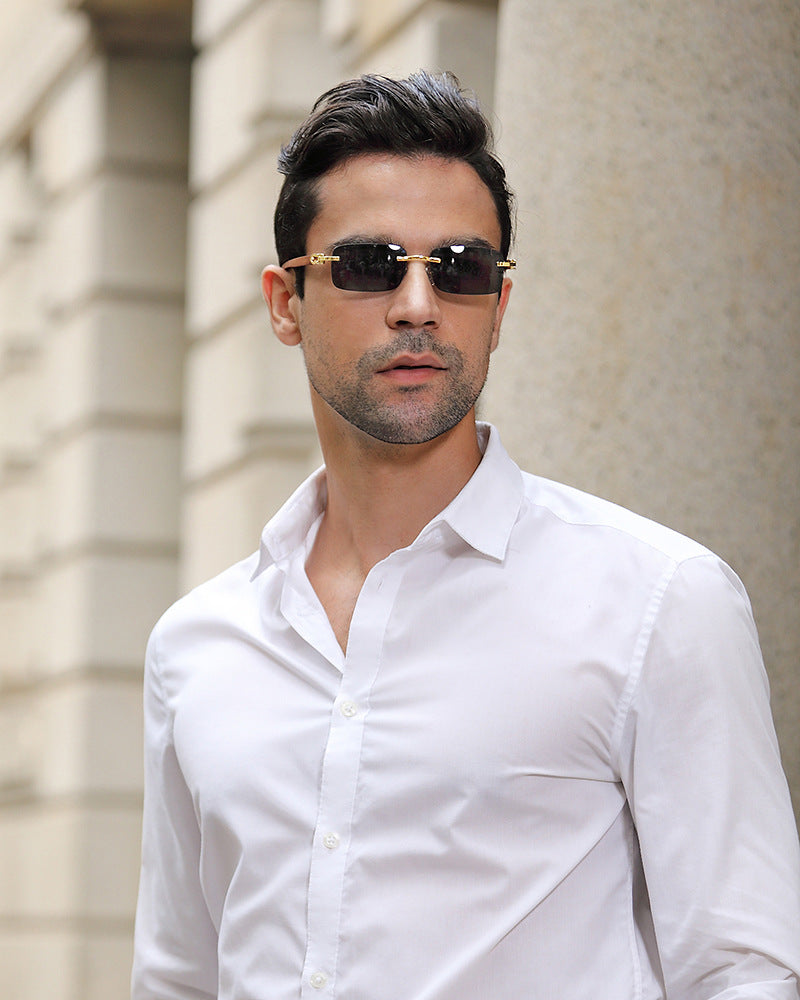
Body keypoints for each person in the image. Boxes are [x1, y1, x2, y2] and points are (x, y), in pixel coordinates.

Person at [131, 72, 800, 1000]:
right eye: (369, 264)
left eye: (460, 268)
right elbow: (178, 975)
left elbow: (746, 970)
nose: (418, 304)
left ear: (500, 306)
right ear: (286, 303)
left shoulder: (659, 601)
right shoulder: (197, 646)